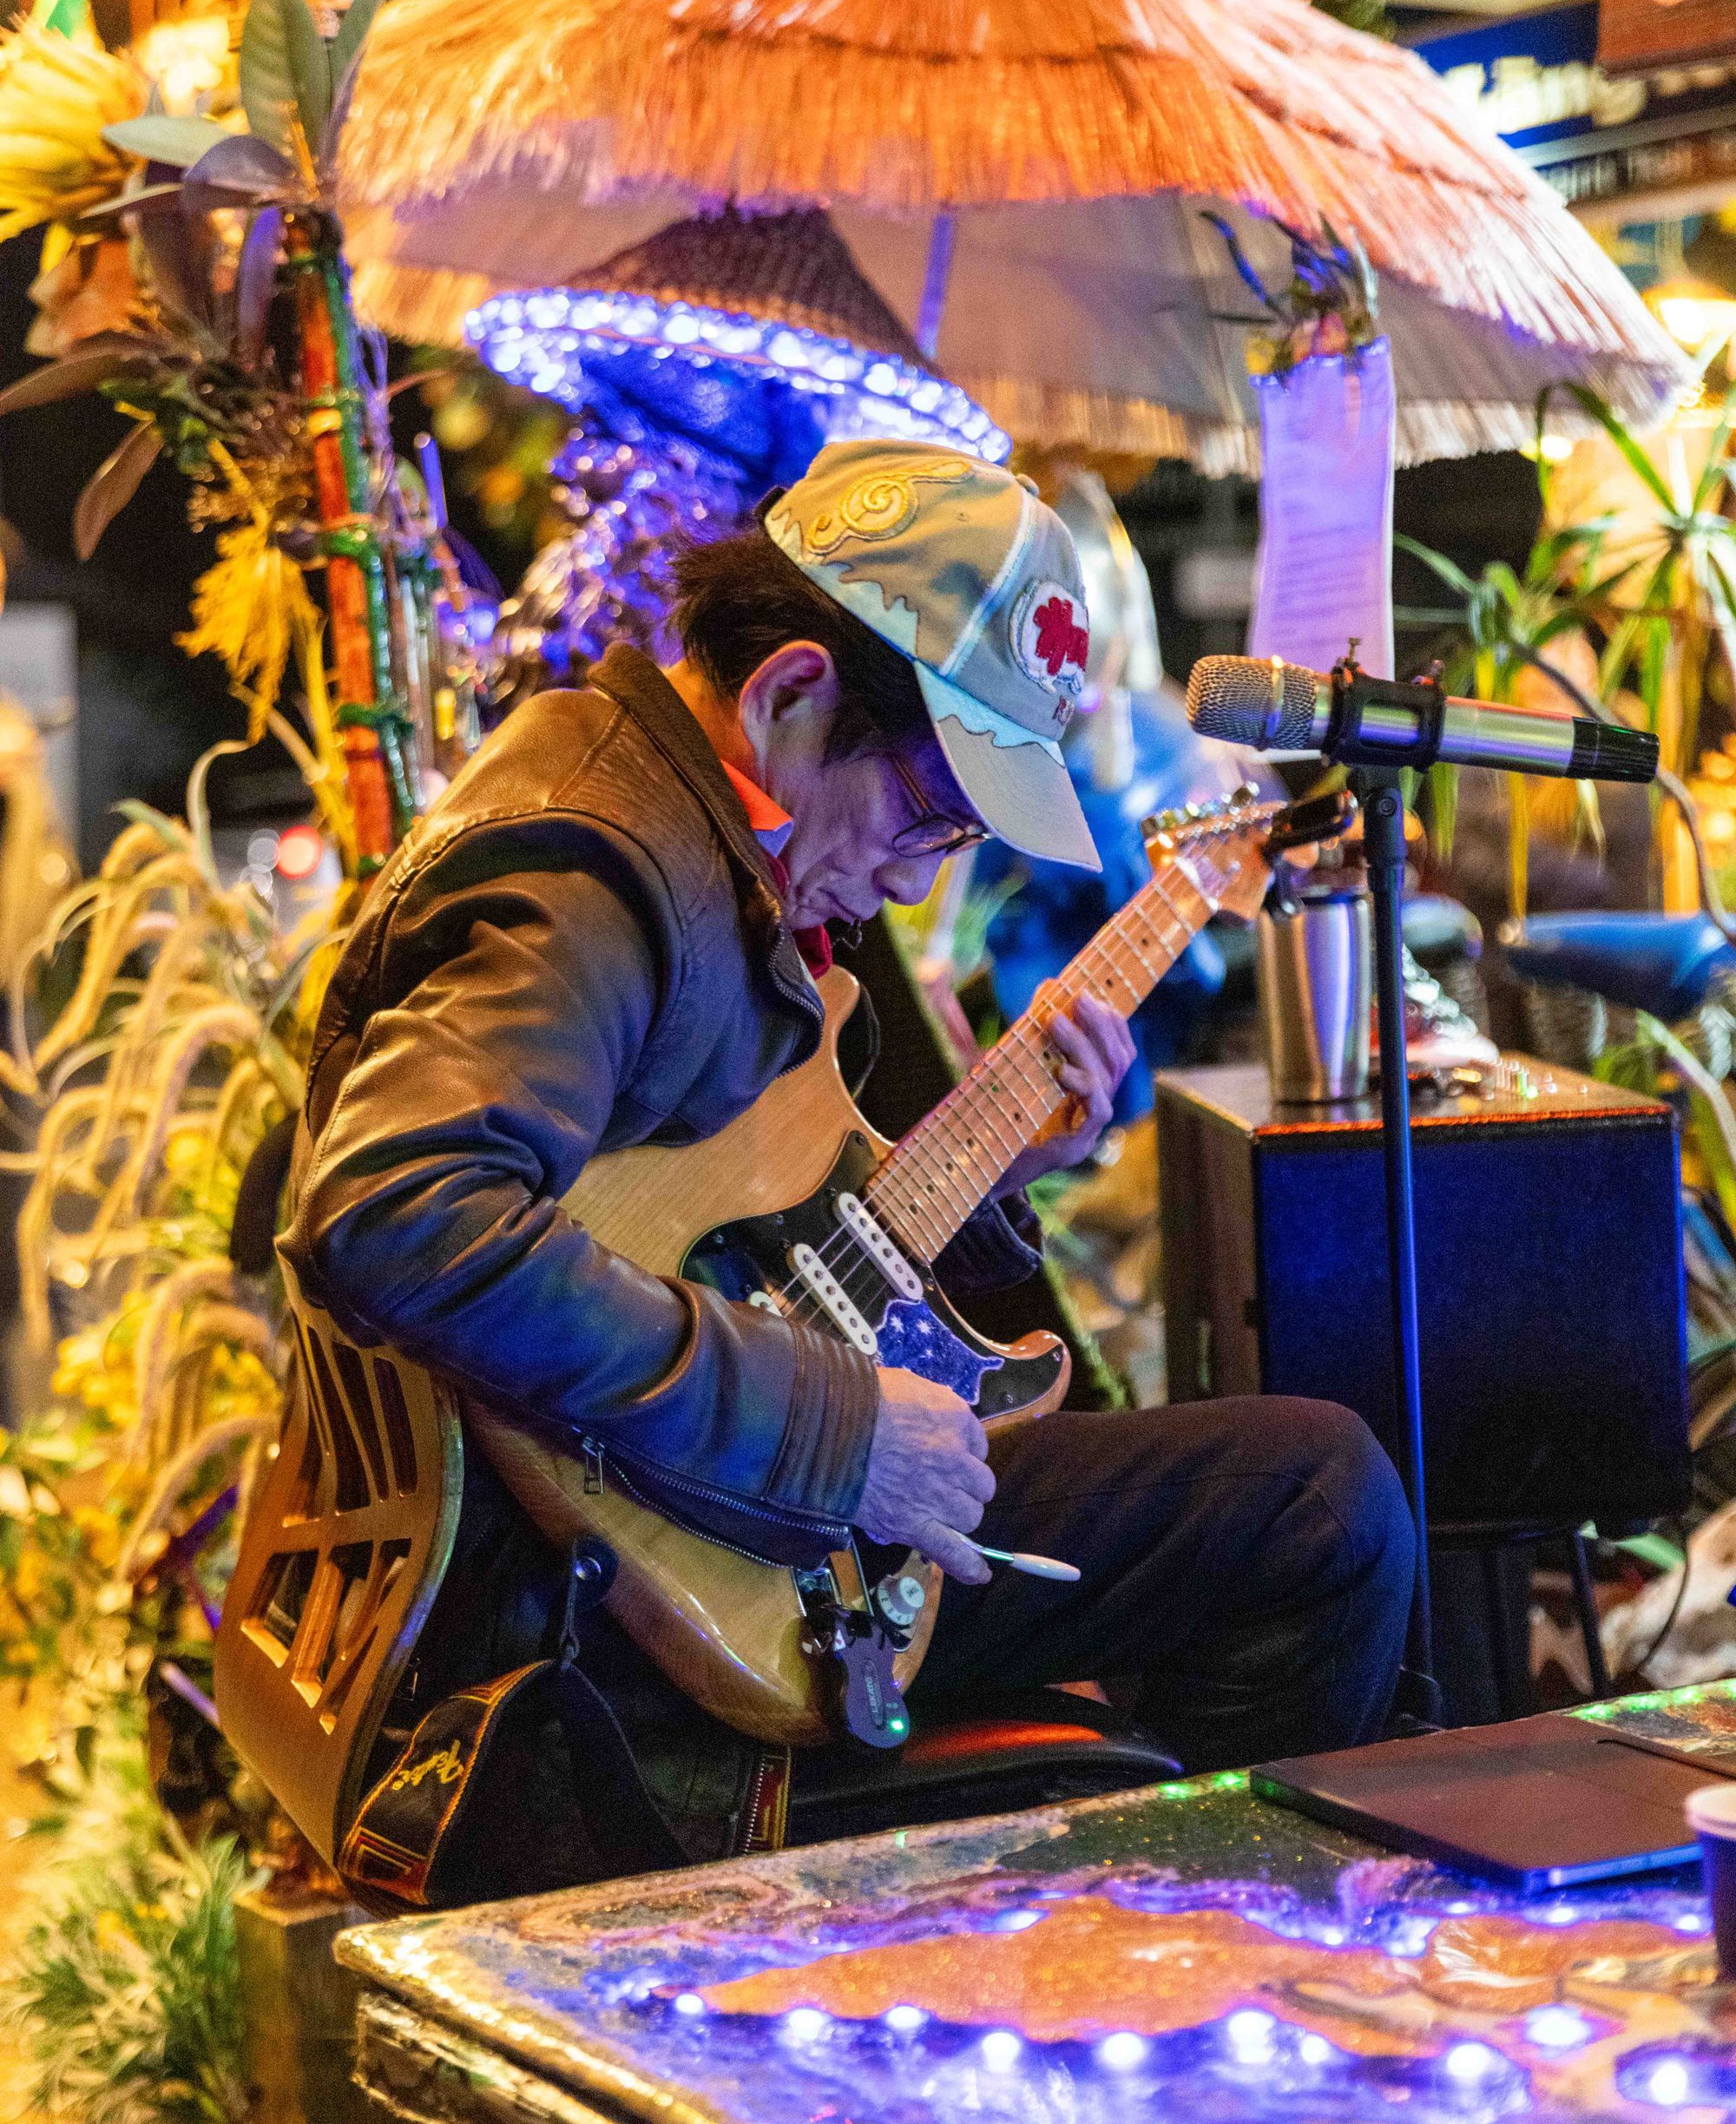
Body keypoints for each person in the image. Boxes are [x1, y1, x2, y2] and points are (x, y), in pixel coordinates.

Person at [280, 440, 1413, 1884]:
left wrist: (999, 1175)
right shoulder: (591, 869)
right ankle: (1178, 1945)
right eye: (927, 815)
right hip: (600, 1629)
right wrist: (838, 1430)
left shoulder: (686, 828)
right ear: (792, 693)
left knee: (1307, 1490)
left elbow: (743, 1248)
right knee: (1319, 1508)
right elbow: (397, 1211)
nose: (920, 877)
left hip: (697, 1519)